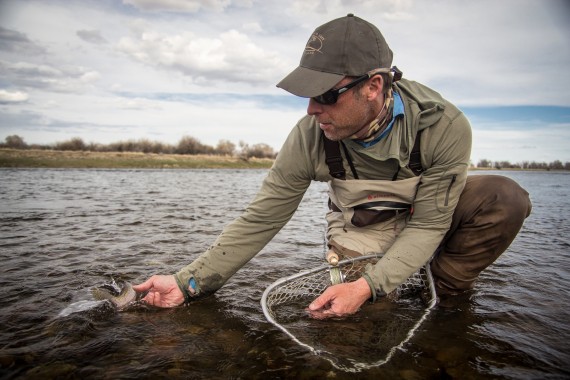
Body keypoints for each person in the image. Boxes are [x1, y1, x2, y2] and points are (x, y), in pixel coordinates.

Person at [134, 14, 531, 317]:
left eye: (325, 94)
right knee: (357, 314)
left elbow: (430, 223)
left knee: (504, 197)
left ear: (373, 86)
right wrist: (188, 283)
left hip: (429, 214)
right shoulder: (309, 135)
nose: (311, 108)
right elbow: (261, 220)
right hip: (365, 222)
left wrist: (372, 284)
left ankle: (440, 291)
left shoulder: (444, 126)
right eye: (308, 94)